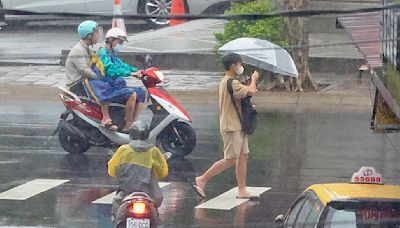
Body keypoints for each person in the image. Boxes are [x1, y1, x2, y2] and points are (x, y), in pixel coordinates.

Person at [193, 53, 260, 199]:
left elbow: (243, 96)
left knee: (243, 156)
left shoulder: (230, 81)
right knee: (231, 159)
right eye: (239, 64)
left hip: (238, 125)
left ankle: (242, 189)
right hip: (232, 126)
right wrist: (254, 79)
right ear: (232, 66)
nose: (240, 67)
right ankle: (202, 179)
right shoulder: (231, 82)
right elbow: (251, 91)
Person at [85, 27, 145, 132]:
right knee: (132, 94)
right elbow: (111, 69)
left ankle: (133, 122)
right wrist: (130, 73)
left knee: (141, 92)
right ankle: (127, 125)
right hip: (101, 86)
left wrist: (137, 71)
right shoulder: (103, 53)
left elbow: (121, 65)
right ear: (111, 40)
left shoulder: (112, 54)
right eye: (119, 42)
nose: (120, 44)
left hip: (111, 84)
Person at [108, 121, 169, 223]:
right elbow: (163, 173)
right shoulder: (154, 151)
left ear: (131, 135)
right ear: (147, 135)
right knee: (156, 218)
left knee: (116, 210)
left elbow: (112, 172)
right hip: (151, 195)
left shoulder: (123, 150)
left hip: (127, 192)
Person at [65, 20, 101, 96]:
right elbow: (85, 71)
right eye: (96, 32)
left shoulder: (88, 48)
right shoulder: (78, 50)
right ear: (89, 36)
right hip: (77, 85)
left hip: (86, 81)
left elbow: (95, 64)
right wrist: (101, 77)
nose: (98, 35)